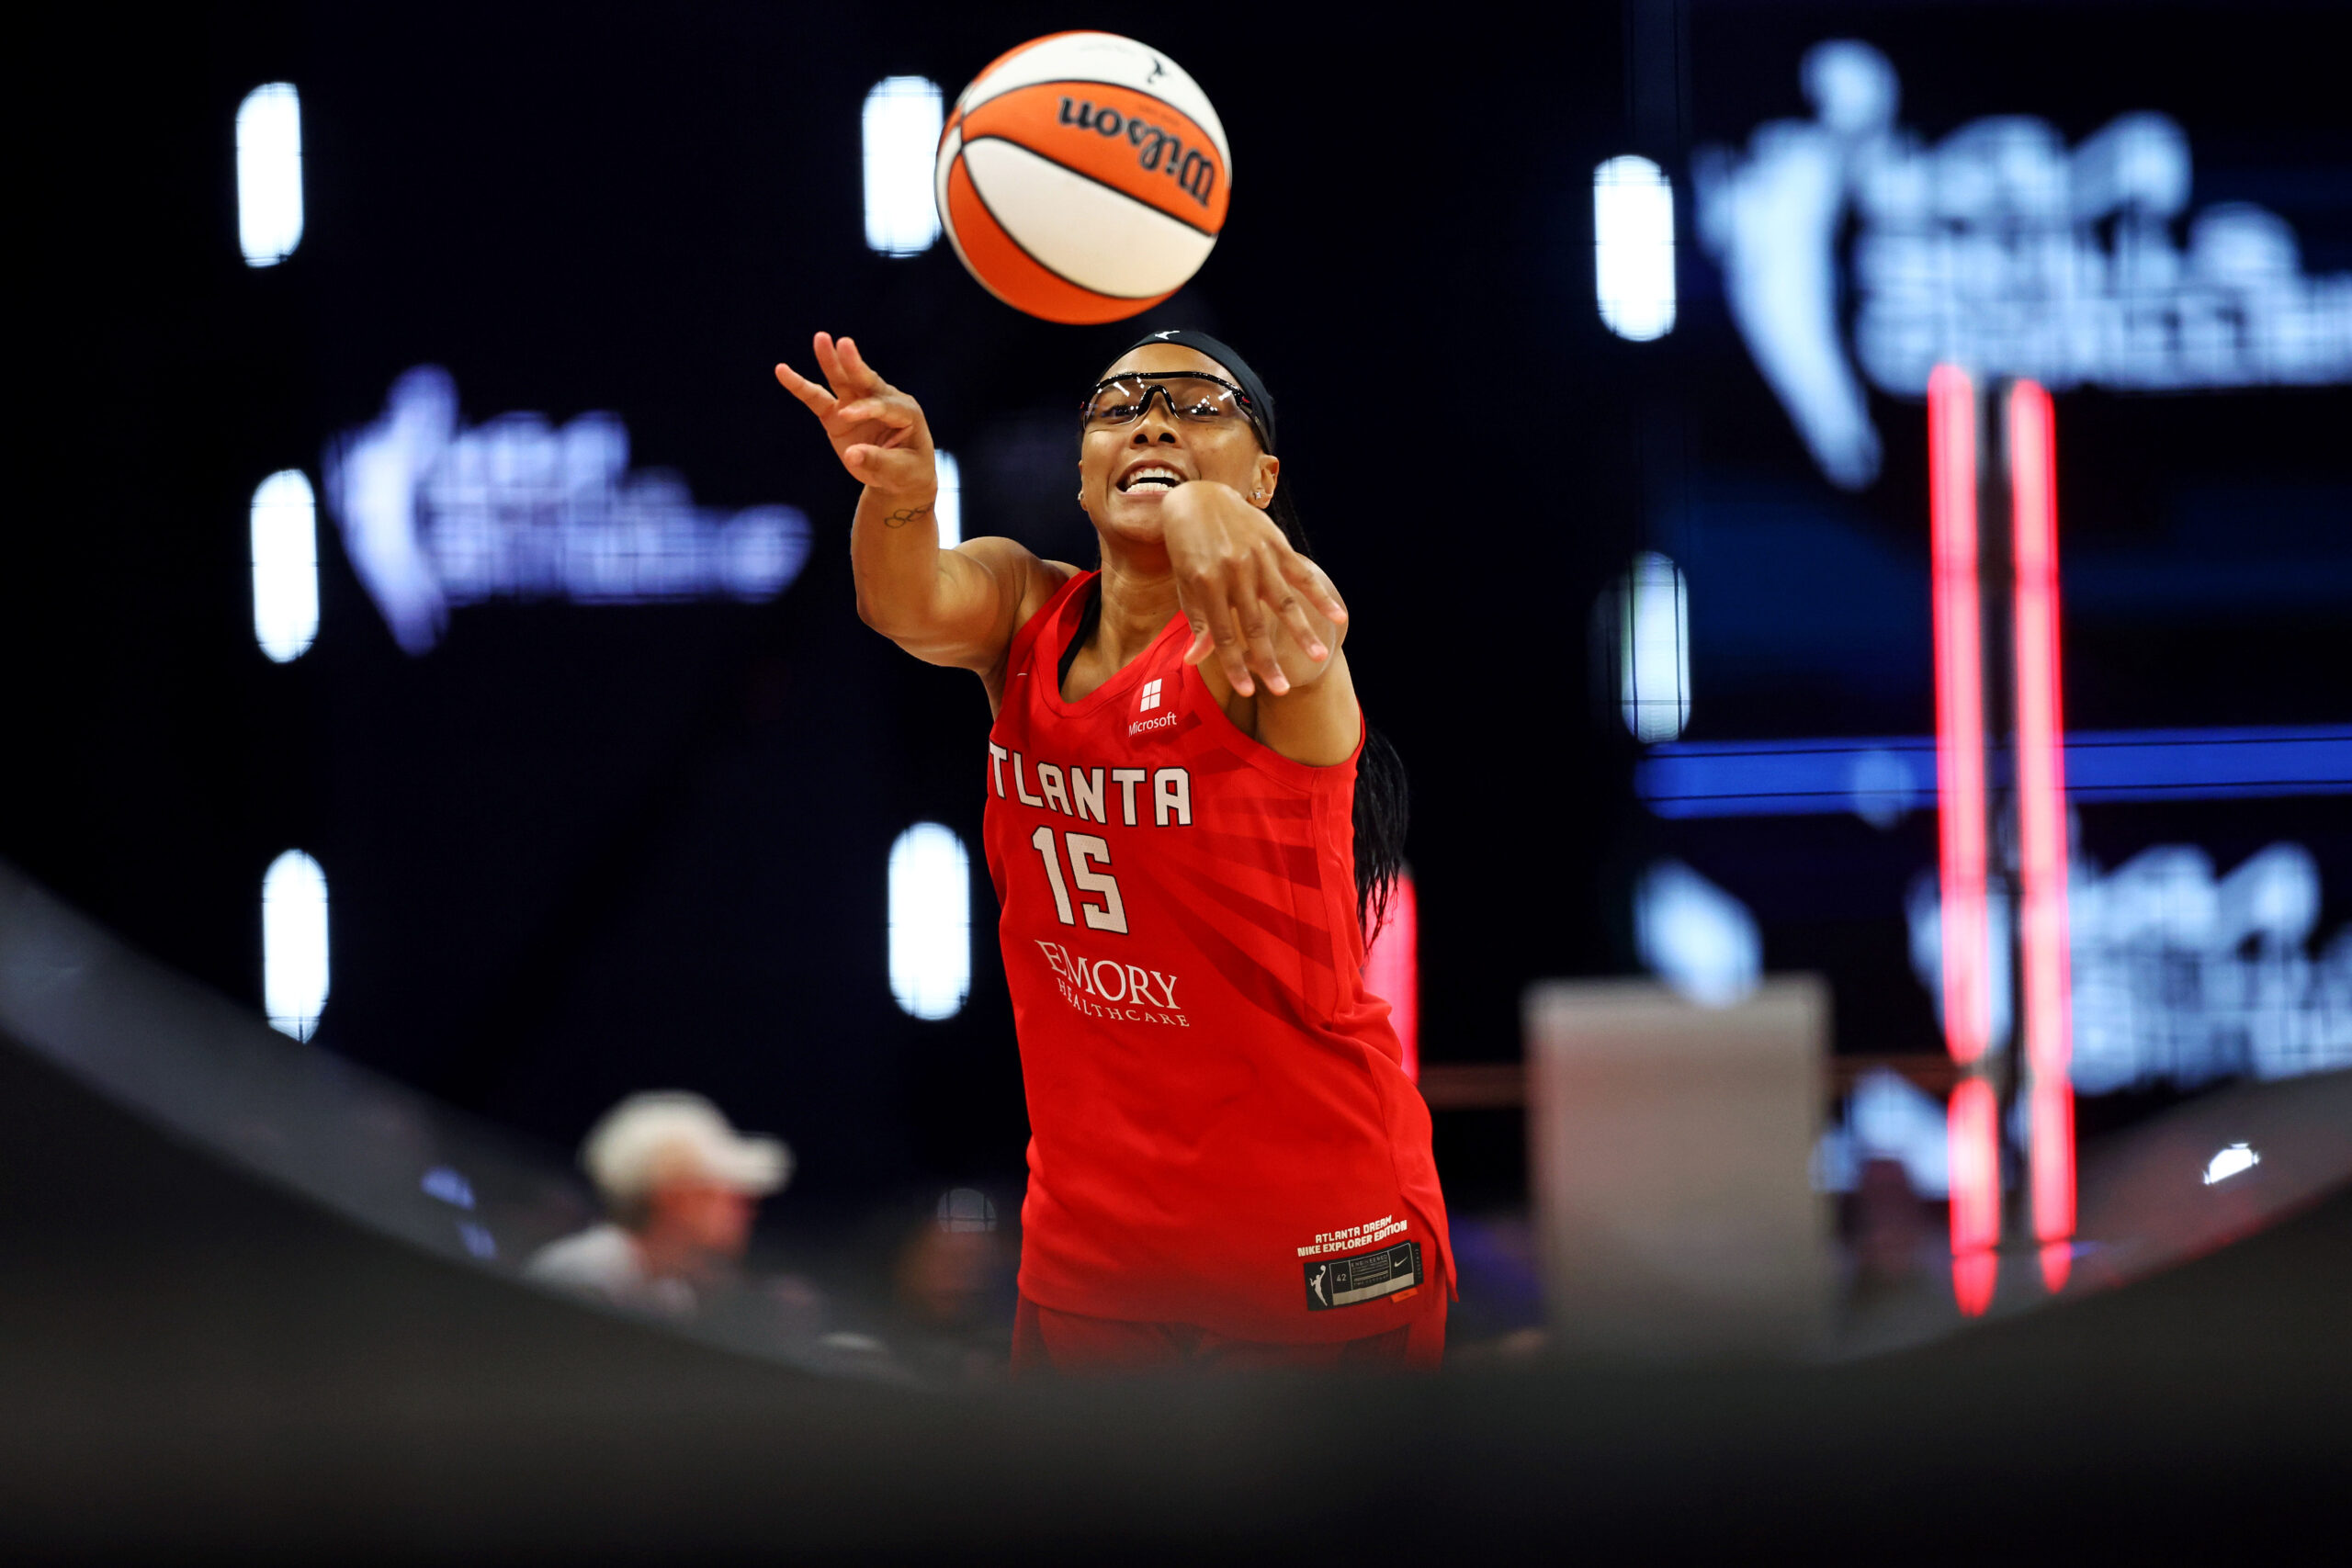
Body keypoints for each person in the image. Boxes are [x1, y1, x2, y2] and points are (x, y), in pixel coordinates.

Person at [775, 328, 1450, 1371]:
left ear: (1265, 479)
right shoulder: (1024, 609)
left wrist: (1200, 509)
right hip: (1094, 1250)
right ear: (1082, 475)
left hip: (1311, 1228)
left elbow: (1309, 615)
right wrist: (901, 492)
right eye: (1119, 406)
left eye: (1197, 407)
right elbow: (901, 600)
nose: (1152, 422)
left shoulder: (1267, 636)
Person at [525, 1090, 790, 1319]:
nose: (747, 1212)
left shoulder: (669, 1296)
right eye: (729, 1197)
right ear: (675, 1198)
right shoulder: (584, 1275)